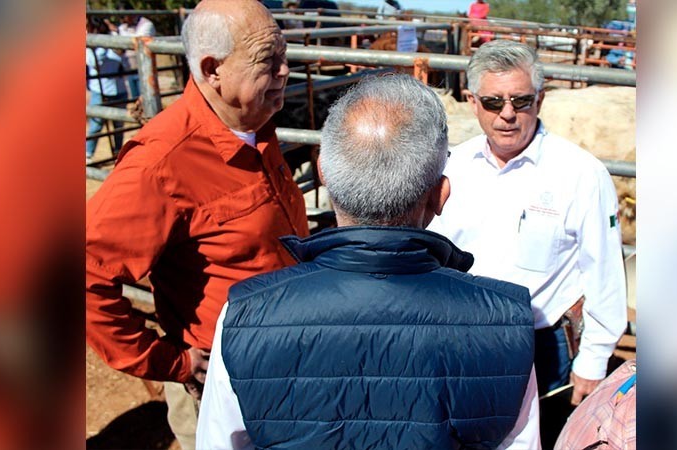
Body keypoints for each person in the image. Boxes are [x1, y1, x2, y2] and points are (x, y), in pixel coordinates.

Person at [196, 74, 541, 450]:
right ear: (439, 196)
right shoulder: (506, 322)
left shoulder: (245, 313)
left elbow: (218, 441)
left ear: (323, 176)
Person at [85, 1, 308, 449]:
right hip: (222, 387)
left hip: (288, 366)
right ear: (213, 70)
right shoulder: (161, 163)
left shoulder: (255, 126)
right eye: (269, 60)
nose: (286, 70)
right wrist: (173, 363)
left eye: (284, 55)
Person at [428, 40, 626, 407]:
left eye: (521, 101)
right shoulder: (450, 166)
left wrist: (594, 359)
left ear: (541, 99)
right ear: (472, 102)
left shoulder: (581, 174)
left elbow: (604, 271)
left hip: (542, 347)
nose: (507, 114)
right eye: (492, 102)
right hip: (458, 341)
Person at [86, 18, 128, 163]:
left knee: (118, 125)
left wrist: (115, 34)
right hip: (100, 90)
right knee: (96, 124)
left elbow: (121, 53)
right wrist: (103, 45)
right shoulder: (89, 45)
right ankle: (88, 154)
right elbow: (93, 62)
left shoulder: (113, 41)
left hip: (118, 90)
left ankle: (118, 153)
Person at [105, 14, 156, 99]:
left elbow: (138, 42)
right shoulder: (123, 27)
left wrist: (118, 34)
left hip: (144, 70)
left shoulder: (146, 24)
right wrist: (115, 32)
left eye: (123, 16)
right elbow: (117, 47)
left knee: (147, 99)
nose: (122, 20)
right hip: (129, 70)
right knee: (135, 99)